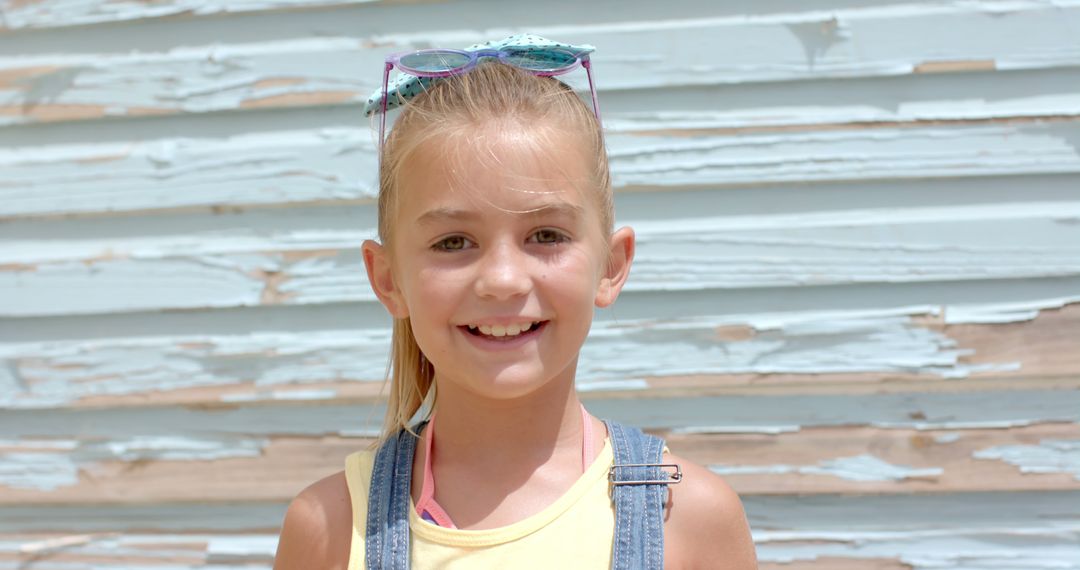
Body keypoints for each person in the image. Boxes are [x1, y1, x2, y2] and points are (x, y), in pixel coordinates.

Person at [273, 34, 757, 569]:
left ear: (612, 265)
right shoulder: (330, 527)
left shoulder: (690, 519)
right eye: (453, 242)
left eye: (546, 235)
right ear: (387, 279)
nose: (502, 280)